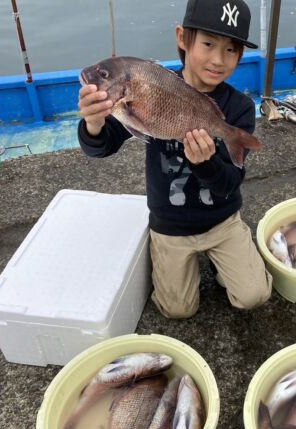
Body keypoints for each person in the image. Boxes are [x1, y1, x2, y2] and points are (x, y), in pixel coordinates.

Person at [77, 0, 272, 318]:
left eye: (231, 50)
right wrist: (94, 123)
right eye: (208, 44)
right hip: (170, 224)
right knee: (177, 310)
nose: (218, 59)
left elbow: (230, 183)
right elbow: (102, 146)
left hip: (222, 220)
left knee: (254, 295)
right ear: (183, 38)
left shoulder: (239, 108)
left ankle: (225, 262)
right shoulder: (145, 87)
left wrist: (206, 163)